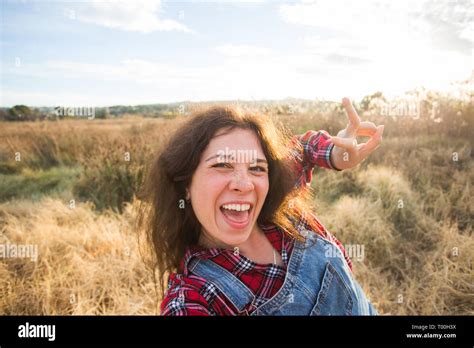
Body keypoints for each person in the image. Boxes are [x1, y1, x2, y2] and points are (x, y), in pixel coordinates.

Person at [137, 98, 384, 315]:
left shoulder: (276, 201)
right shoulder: (196, 297)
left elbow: (304, 148)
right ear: (186, 185)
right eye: (222, 165)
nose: (245, 185)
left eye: (256, 168)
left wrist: (337, 155)